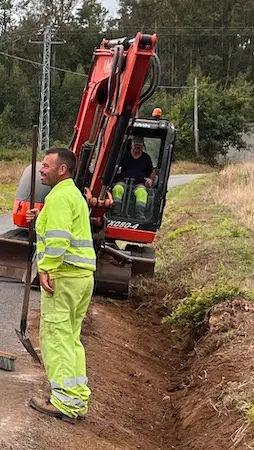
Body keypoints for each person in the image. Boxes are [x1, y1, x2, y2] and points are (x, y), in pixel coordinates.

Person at [25, 148, 96, 424]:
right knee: (70, 338)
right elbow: (59, 226)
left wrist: (47, 269)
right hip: (80, 278)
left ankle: (64, 401)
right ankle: (76, 397)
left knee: (55, 338)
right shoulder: (71, 195)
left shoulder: (58, 198)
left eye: (46, 165)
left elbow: (58, 239)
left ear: (61, 170)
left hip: (63, 277)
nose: (41, 170)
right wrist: (40, 216)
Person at [112, 136, 156, 219]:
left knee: (142, 193)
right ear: (132, 144)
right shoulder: (124, 155)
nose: (137, 146)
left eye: (139, 145)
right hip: (123, 181)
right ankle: (116, 213)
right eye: (135, 144)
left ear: (142, 146)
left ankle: (140, 215)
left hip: (139, 183)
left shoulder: (146, 158)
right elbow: (116, 167)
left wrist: (150, 180)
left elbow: (152, 172)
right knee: (117, 189)